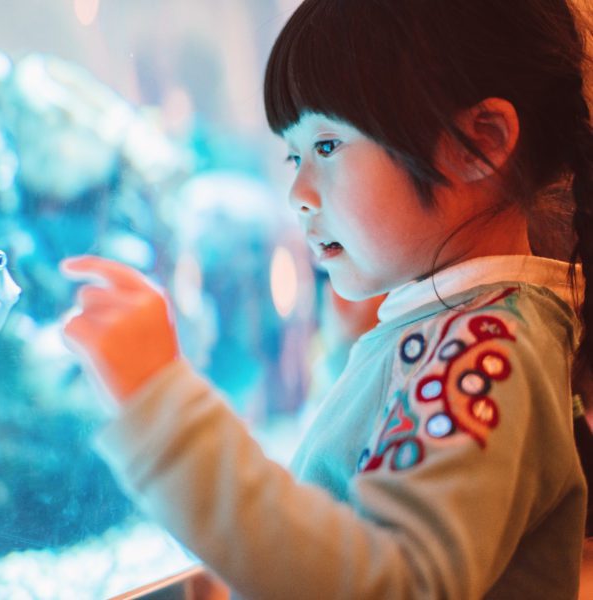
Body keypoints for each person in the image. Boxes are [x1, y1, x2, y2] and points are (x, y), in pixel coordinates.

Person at [61, 0, 593, 597]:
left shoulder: (484, 352)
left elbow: (395, 583)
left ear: (479, 144)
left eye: (328, 146)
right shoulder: (459, 332)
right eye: (293, 155)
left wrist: (163, 413)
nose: (298, 192)